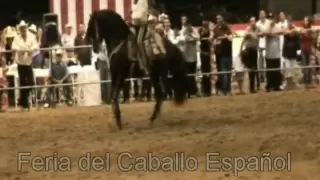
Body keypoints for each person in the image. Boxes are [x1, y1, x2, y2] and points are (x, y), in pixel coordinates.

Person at [11, 20, 38, 111]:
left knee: (30, 82)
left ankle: (26, 101)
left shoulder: (31, 36)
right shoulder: (17, 37)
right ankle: (25, 104)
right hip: (21, 63)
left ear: (26, 28)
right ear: (20, 29)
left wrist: (31, 50)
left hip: (29, 62)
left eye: (24, 28)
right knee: (23, 83)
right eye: (22, 28)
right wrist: (20, 50)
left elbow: (36, 46)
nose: (23, 29)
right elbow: (13, 46)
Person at [131, 0, 160, 74]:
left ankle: (145, 63)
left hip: (145, 24)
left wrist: (149, 17)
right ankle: (133, 58)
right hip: (136, 24)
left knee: (139, 41)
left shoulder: (145, 1)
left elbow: (149, 13)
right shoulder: (135, 3)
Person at [179, 15, 200, 98]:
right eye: (182, 19)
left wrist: (190, 38)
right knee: (186, 75)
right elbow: (181, 40)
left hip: (192, 55)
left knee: (192, 74)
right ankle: (188, 91)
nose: (183, 21)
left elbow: (197, 37)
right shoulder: (181, 31)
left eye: (185, 19)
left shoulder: (193, 29)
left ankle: (193, 91)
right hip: (185, 55)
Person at [213, 14, 233, 96]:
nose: (218, 20)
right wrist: (218, 41)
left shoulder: (227, 27)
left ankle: (228, 90)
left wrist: (226, 37)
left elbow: (231, 38)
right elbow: (214, 40)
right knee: (223, 73)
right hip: (221, 54)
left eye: (220, 19)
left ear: (222, 19)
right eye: (217, 19)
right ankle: (224, 91)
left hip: (228, 53)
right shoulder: (215, 29)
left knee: (228, 73)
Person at [263, 16, 284, 92]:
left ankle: (277, 85)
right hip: (269, 54)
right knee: (269, 71)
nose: (272, 20)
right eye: (271, 18)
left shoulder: (277, 26)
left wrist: (273, 33)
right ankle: (269, 86)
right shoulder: (267, 26)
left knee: (276, 71)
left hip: (277, 53)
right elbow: (266, 33)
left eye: (273, 18)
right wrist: (270, 28)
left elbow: (282, 31)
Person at [240, 16, 259, 93]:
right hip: (248, 50)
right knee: (250, 69)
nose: (253, 23)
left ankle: (254, 87)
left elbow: (256, 37)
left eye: (254, 21)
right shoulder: (248, 29)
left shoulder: (258, 28)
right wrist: (240, 49)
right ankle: (251, 88)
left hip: (254, 50)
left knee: (254, 69)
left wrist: (251, 34)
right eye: (251, 21)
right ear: (250, 22)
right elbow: (245, 37)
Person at [282, 16, 300, 89]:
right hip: (286, 53)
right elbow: (287, 33)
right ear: (287, 22)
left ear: (292, 21)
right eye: (288, 21)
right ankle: (287, 83)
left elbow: (297, 33)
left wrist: (294, 31)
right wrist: (293, 31)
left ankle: (294, 83)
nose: (290, 22)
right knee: (287, 69)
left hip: (293, 52)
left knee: (293, 69)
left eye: (291, 21)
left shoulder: (295, 28)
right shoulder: (285, 28)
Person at [256, 10, 270, 87]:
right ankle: (261, 77)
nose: (262, 15)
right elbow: (256, 35)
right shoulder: (257, 24)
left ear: (265, 15)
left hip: (267, 45)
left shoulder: (269, 22)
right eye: (260, 14)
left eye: (263, 14)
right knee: (259, 63)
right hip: (259, 45)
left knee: (266, 63)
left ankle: (266, 77)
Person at [199, 18, 212, 96]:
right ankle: (204, 91)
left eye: (206, 24)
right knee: (204, 72)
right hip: (203, 54)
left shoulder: (209, 32)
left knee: (208, 73)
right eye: (204, 24)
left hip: (207, 53)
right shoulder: (201, 31)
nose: (205, 26)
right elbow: (201, 38)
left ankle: (208, 91)